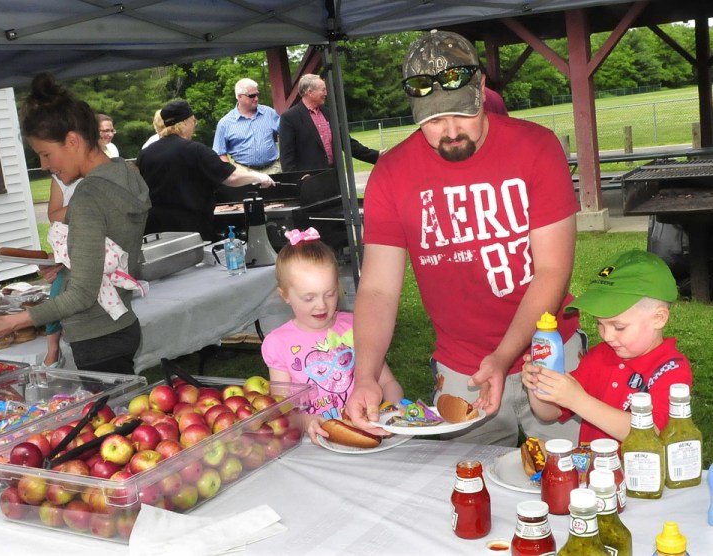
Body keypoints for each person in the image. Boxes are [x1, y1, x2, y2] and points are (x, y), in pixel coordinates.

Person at [344, 30, 583, 447]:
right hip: (462, 370)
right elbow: (379, 289)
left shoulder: (536, 148)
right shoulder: (391, 175)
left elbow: (552, 270)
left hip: (549, 350)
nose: (451, 131)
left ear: (482, 90)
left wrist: (505, 355)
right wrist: (366, 375)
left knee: (579, 476)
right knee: (471, 488)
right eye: (433, 120)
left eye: (462, 113)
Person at [0, 72, 151, 374]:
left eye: (45, 153)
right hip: (121, 325)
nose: (44, 166)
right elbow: (115, 252)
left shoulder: (88, 195)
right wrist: (69, 266)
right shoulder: (127, 174)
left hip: (96, 336)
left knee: (112, 418)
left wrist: (9, 322)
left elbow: (82, 293)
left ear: (72, 141)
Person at [522, 249, 692, 445]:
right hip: (595, 473)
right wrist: (538, 385)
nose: (606, 335)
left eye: (618, 327)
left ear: (658, 318)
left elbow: (653, 436)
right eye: (600, 324)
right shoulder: (599, 356)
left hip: (643, 473)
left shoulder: (672, 370)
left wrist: (578, 400)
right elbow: (550, 412)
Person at [261, 227, 403, 444]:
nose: (321, 305)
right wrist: (306, 421)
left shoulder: (357, 327)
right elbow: (282, 412)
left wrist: (391, 408)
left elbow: (389, 384)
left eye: (329, 294)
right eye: (308, 298)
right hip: (313, 447)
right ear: (285, 295)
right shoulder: (278, 344)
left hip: (367, 435)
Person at [136, 99, 275, 241]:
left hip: (155, 232)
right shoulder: (195, 150)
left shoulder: (145, 154)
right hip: (191, 231)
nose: (194, 126)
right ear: (185, 122)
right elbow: (231, 177)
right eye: (193, 121)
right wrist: (258, 177)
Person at [279, 74, 380, 173]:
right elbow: (287, 158)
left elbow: (346, 142)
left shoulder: (328, 113)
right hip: (309, 183)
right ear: (310, 92)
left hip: (334, 177)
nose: (326, 93)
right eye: (323, 90)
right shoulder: (289, 118)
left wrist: (376, 156)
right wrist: (298, 182)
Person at [42, 173, 79, 367]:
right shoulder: (60, 177)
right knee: (57, 292)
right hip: (66, 243)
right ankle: (53, 349)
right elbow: (53, 215)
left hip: (95, 246)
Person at [213, 78, 281, 174]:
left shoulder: (269, 113)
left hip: (273, 169)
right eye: (252, 96)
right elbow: (220, 153)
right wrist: (232, 173)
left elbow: (287, 134)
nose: (256, 98)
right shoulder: (225, 123)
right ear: (240, 96)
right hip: (244, 172)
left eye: (257, 94)